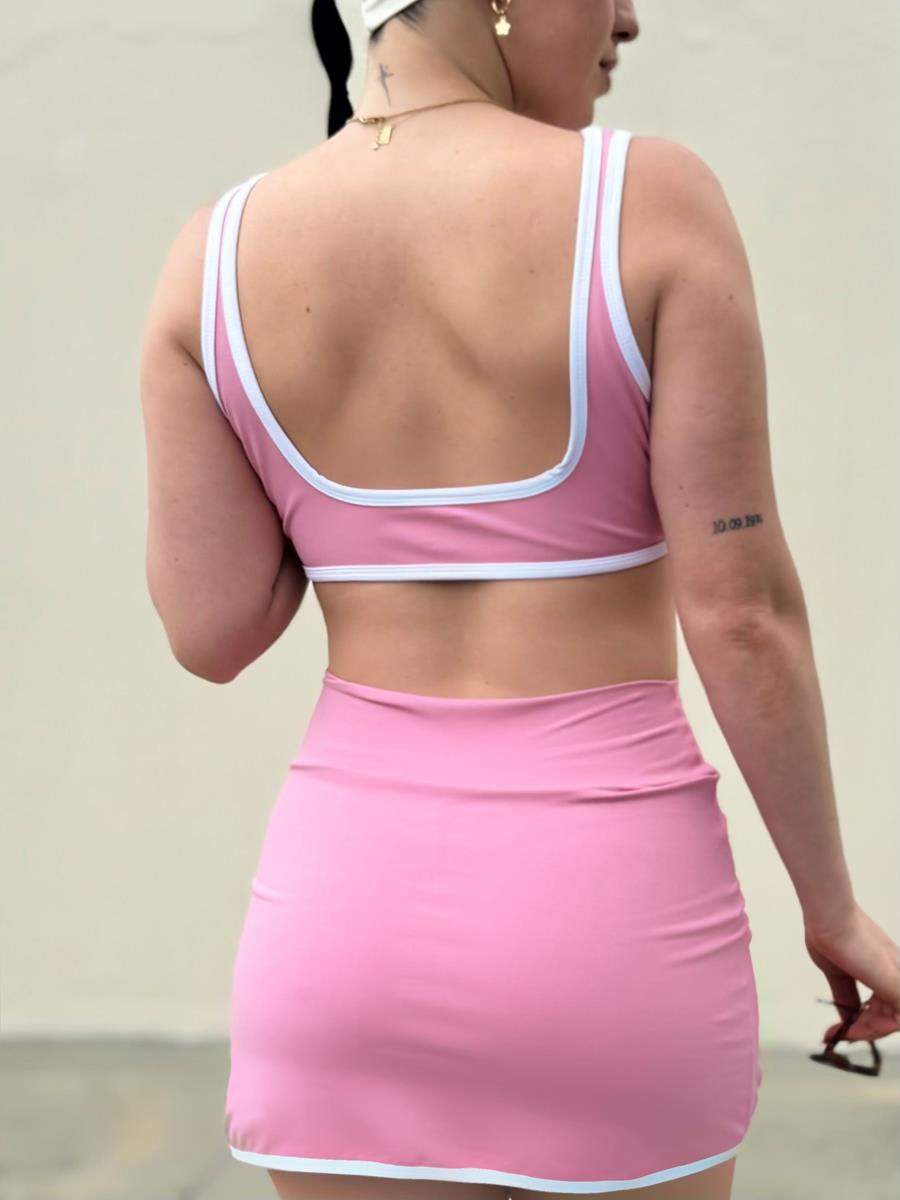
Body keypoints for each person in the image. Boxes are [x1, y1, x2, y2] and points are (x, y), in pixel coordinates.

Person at [138, 2, 900, 1198]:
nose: (628, 18)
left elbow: (212, 628)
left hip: (339, 940)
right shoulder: (649, 199)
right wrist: (833, 908)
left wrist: (344, 481)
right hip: (605, 933)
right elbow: (741, 614)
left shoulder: (213, 253)